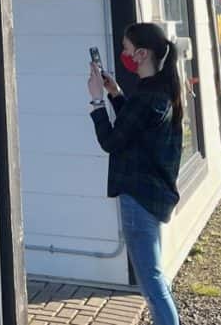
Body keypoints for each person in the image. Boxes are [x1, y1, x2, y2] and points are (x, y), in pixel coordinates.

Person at [88, 23, 183, 325]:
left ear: (142, 54)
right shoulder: (159, 90)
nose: (124, 55)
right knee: (154, 276)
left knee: (151, 281)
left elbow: (112, 141)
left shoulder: (148, 98)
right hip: (153, 195)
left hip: (139, 198)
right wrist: (116, 94)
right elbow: (137, 128)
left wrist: (96, 101)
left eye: (127, 49)